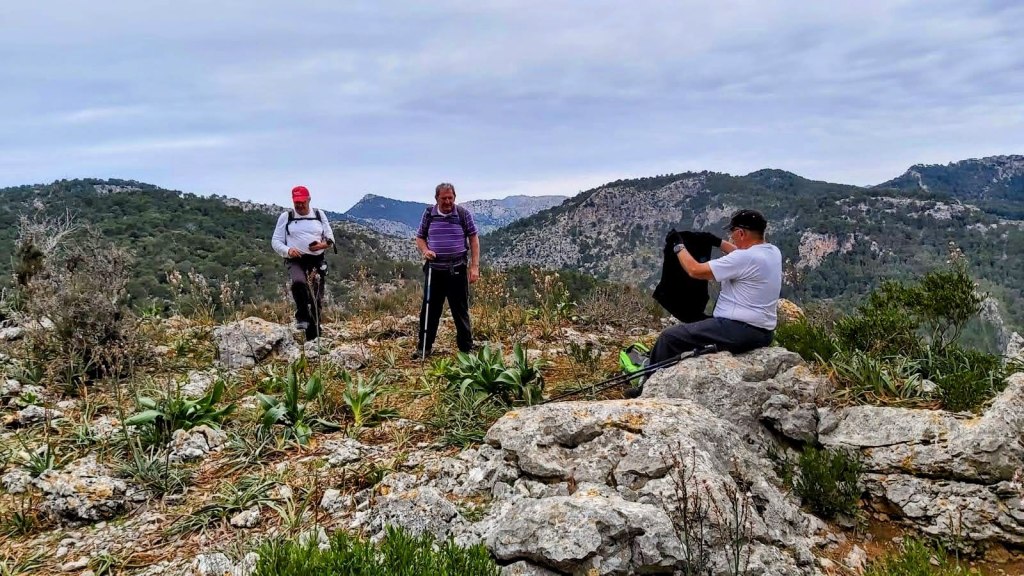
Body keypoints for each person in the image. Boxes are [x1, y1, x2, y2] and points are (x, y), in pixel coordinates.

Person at [647, 209, 782, 366]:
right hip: (763, 333)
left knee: (669, 338)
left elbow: (695, 270)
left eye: (732, 233)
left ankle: (649, 384)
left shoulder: (744, 258)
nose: (731, 238)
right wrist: (716, 241)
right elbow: (742, 253)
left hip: (739, 330)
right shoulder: (772, 252)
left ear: (741, 233)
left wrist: (678, 246)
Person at [413, 182, 480, 359]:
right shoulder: (429, 214)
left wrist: (474, 267)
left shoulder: (463, 214)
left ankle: (466, 349)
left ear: (455, 197)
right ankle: (424, 348)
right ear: (437, 198)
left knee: (460, 310)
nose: (448, 202)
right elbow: (420, 237)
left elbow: (473, 239)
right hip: (434, 270)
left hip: (457, 268)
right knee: (430, 310)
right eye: (444, 198)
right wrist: (426, 250)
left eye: (451, 198)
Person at [271, 185, 335, 339]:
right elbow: (276, 241)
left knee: (316, 297)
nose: (299, 205)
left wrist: (322, 245)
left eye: (302, 202)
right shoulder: (286, 217)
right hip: (296, 259)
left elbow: (330, 238)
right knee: (298, 283)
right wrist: (288, 251)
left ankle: (313, 334)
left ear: (309, 200)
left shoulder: (319, 215)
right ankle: (302, 315)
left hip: (316, 260)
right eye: (296, 202)